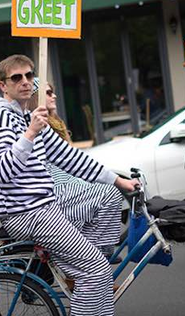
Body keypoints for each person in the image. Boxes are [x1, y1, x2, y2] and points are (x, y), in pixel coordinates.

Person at [0, 54, 138, 316]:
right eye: (17, 78)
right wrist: (29, 134)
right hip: (27, 213)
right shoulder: (0, 117)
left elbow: (70, 158)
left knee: (96, 271)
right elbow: (1, 171)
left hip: (44, 209)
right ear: (3, 85)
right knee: (97, 270)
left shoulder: (27, 115)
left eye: (29, 75)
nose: (25, 82)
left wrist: (118, 181)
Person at [28, 78, 124, 257]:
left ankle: (95, 257)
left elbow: (70, 153)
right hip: (57, 187)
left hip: (66, 181)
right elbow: (68, 156)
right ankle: (96, 256)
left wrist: (54, 114)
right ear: (37, 98)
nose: (54, 95)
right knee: (108, 194)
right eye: (48, 93)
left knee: (102, 194)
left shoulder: (54, 122)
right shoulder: (38, 125)